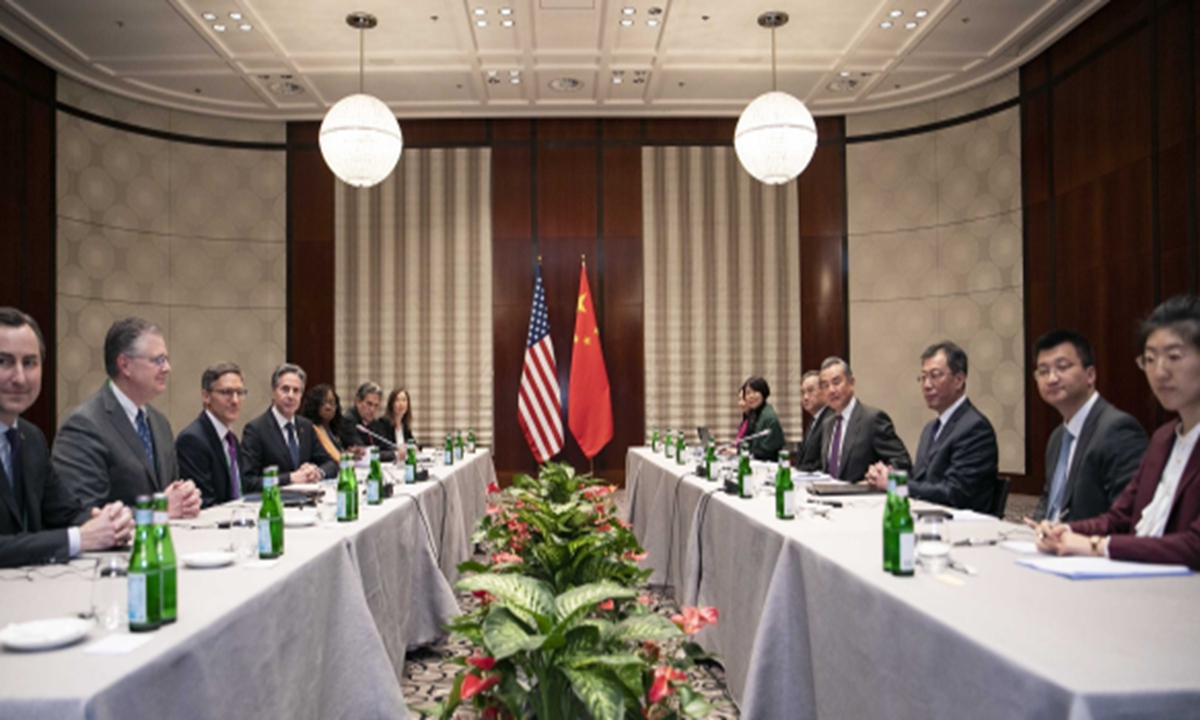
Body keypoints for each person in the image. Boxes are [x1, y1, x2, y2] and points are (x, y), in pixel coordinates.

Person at [1033, 295, 1200, 569]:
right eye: (1150, 359)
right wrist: (1068, 531)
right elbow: (1120, 517)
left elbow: (1194, 545)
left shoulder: (1118, 428)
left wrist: (1098, 545)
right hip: (1141, 576)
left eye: (1174, 357)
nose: (1160, 372)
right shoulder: (1163, 439)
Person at [0, 308, 133, 567]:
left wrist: (104, 520)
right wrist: (79, 538)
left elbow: (64, 511)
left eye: (29, 362)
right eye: (3, 361)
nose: (18, 377)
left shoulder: (32, 438)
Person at [52, 317, 202, 518]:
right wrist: (158, 511)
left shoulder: (159, 423)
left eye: (166, 360)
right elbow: (81, 514)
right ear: (125, 365)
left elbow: (169, 493)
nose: (167, 368)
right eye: (158, 360)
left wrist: (185, 499)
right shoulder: (84, 426)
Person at [866, 342, 998, 512]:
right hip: (927, 517)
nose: (927, 385)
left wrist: (894, 484)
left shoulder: (975, 428)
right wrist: (890, 475)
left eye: (935, 376)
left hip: (960, 526)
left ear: (959, 380)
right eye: (923, 377)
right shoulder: (931, 428)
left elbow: (955, 494)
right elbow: (921, 480)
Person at [1031, 330, 1148, 522]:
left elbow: (1128, 515)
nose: (1051, 378)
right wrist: (1037, 525)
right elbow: (1049, 500)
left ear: (1090, 375)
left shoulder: (1118, 430)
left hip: (1090, 547)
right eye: (1043, 372)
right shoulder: (1058, 437)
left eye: (1062, 367)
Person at [806, 356, 910, 480]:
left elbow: (902, 462)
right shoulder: (827, 424)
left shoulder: (872, 419)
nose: (831, 390)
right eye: (825, 386)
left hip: (862, 496)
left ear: (851, 382)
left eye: (836, 382)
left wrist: (877, 476)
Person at [241, 363, 337, 488]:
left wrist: (317, 473)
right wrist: (290, 478)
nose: (291, 396)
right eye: (285, 389)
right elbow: (248, 481)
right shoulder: (256, 430)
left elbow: (330, 463)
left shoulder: (306, 426)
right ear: (273, 393)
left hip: (307, 501)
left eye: (296, 391)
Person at [175, 363, 249, 508]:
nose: (235, 400)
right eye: (227, 392)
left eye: (239, 393)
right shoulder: (192, 440)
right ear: (206, 396)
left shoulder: (231, 439)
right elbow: (205, 503)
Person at [339, 381, 393, 460]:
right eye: (369, 404)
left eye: (376, 405)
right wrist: (394, 455)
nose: (372, 409)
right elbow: (365, 453)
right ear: (358, 401)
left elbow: (385, 446)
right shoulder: (348, 421)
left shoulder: (373, 422)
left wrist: (399, 450)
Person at [741, 376, 785, 461]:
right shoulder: (753, 414)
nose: (751, 396)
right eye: (748, 393)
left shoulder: (769, 417)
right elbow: (747, 441)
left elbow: (768, 452)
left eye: (755, 392)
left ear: (763, 393)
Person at [300, 384, 346, 460]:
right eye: (323, 403)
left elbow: (338, 453)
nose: (328, 407)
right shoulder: (311, 429)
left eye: (332, 403)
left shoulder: (331, 430)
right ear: (314, 405)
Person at [797, 370, 830, 470]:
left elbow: (824, 460)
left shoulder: (830, 419)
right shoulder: (814, 419)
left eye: (810, 391)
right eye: (803, 393)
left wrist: (801, 472)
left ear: (824, 391)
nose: (805, 397)